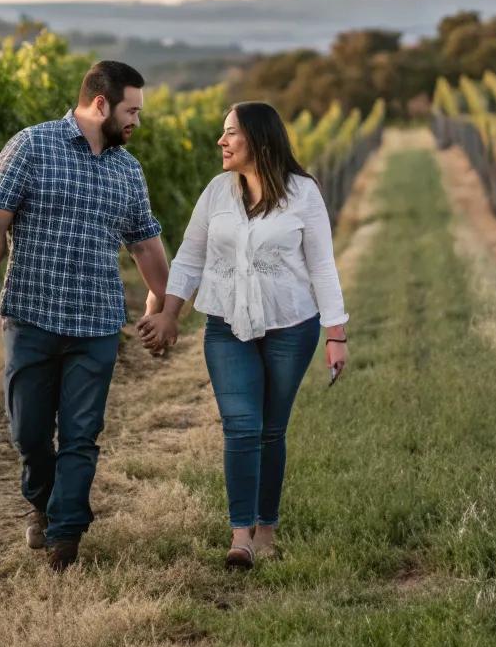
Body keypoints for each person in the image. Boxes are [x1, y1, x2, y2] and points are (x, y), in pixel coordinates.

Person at [0, 61, 169, 570]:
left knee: (80, 434)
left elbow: (146, 245)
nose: (136, 122)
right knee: (28, 433)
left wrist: (166, 305)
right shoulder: (31, 146)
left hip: (96, 325)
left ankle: (65, 536)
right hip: (32, 318)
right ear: (101, 104)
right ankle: (43, 503)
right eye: (130, 111)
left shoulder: (127, 170)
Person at [138, 101, 348, 567]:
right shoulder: (216, 192)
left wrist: (336, 334)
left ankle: (267, 527)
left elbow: (322, 267)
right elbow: (190, 258)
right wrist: (170, 313)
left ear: (259, 139)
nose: (221, 141)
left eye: (231, 132)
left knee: (271, 430)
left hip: (291, 326)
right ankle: (241, 536)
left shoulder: (303, 194)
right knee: (241, 426)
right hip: (225, 326)